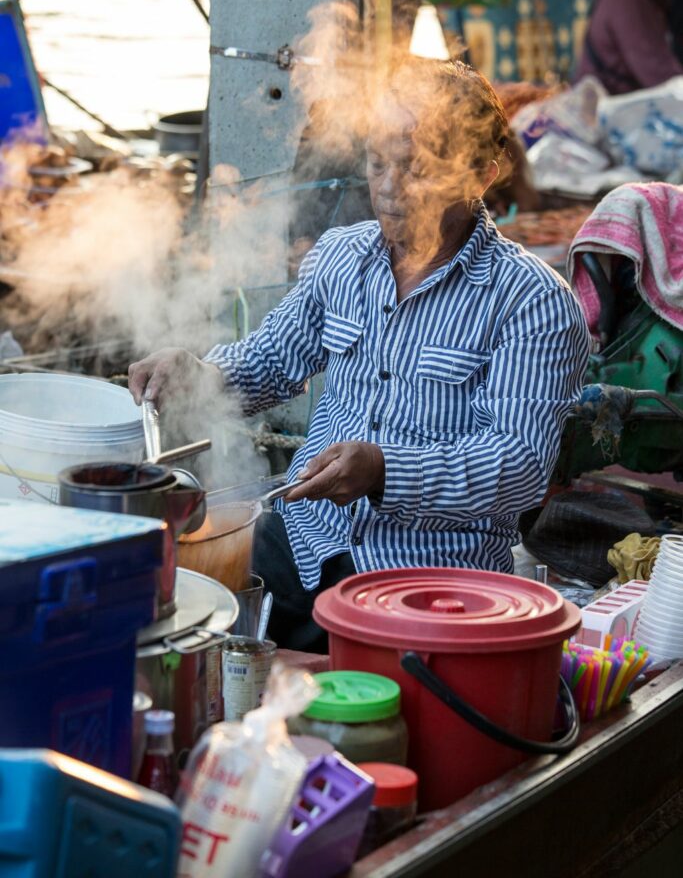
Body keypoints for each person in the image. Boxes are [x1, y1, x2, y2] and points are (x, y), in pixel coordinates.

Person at [129, 58, 589, 653]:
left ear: (481, 174)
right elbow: (270, 361)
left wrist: (384, 470)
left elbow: (518, 466)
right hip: (302, 539)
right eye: (378, 163)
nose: (392, 189)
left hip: (431, 580)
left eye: (418, 169)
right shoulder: (342, 257)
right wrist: (198, 372)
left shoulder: (532, 302)